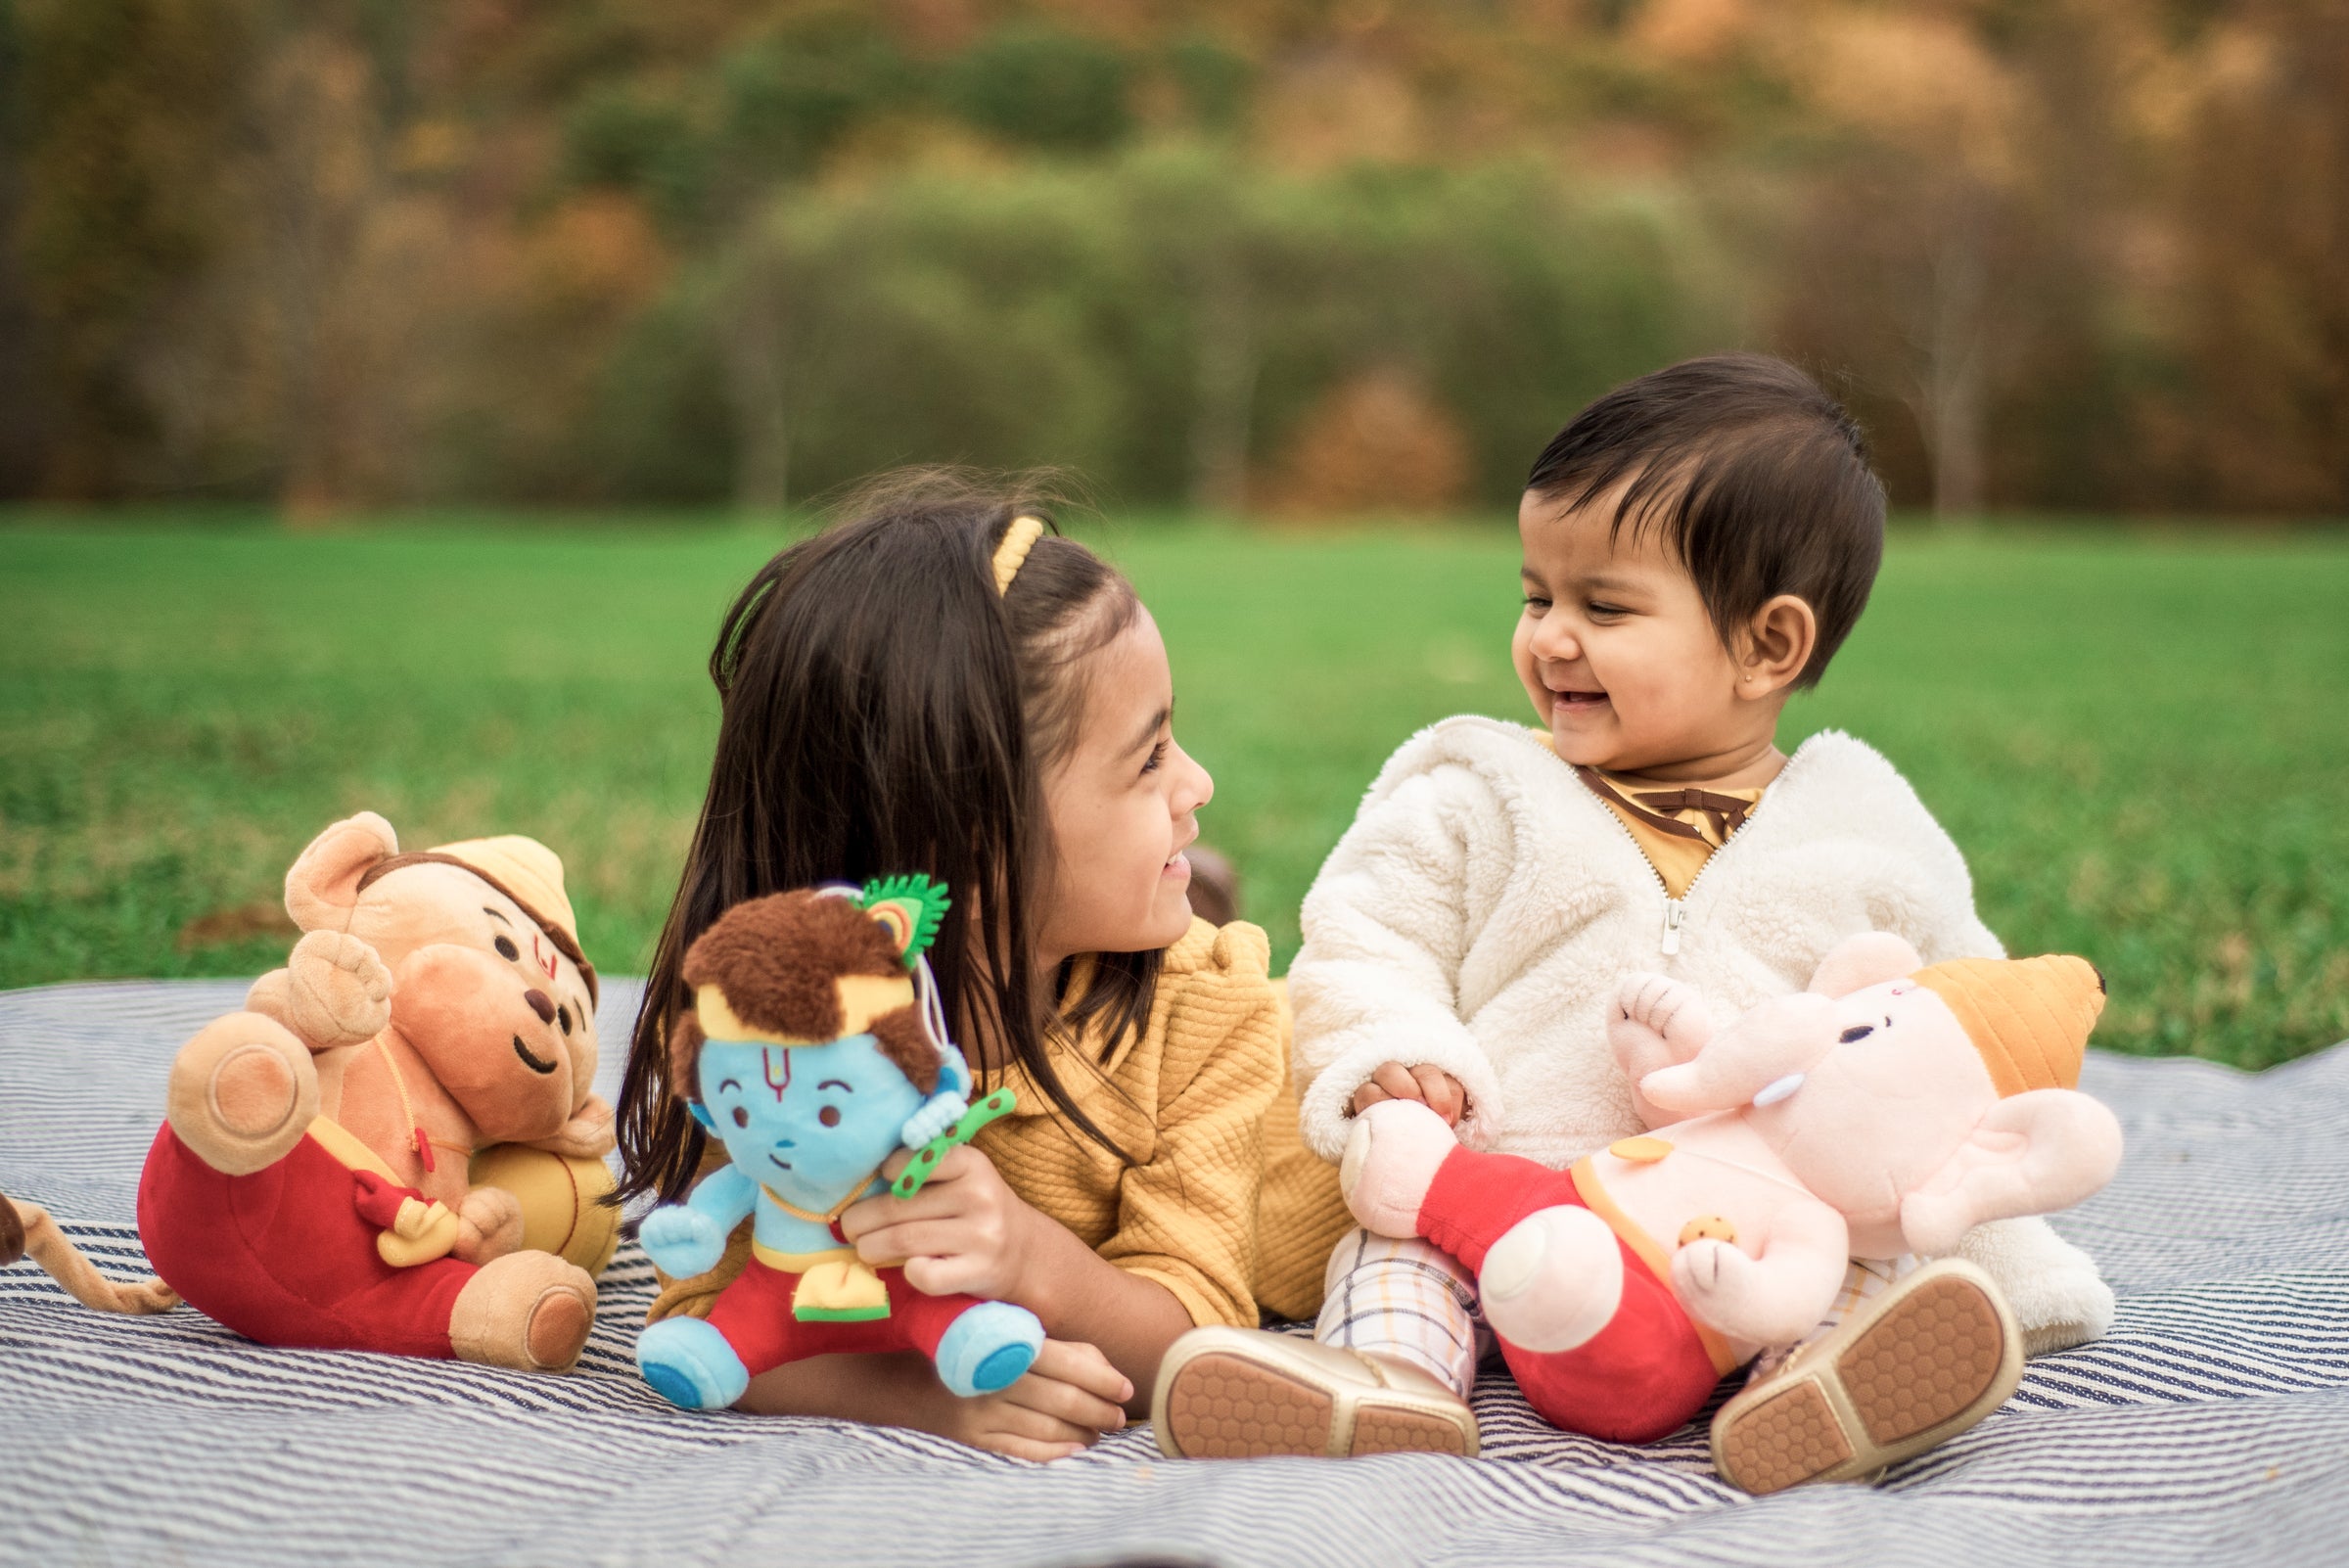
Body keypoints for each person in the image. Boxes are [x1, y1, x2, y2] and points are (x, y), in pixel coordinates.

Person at [1154, 356, 2114, 1482]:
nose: (1551, 637)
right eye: (1536, 596)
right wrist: (1393, 1056)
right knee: (1392, 1245)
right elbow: (1366, 941)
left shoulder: (1866, 834)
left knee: (1866, 1268)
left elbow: (1957, 1041)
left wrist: (1991, 1238)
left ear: (1770, 645)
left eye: (1603, 607)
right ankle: (1387, 1385)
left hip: (1750, 1241)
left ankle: (1812, 1396)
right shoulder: (1478, 795)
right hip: (1501, 1207)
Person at [613, 470, 1347, 1462]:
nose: (1198, 781)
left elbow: (1198, 1329)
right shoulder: (759, 1035)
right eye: (1148, 760)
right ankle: (1192, 880)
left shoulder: (1208, 1011)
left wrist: (1029, 1256)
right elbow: (696, 1326)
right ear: (973, 839)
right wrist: (917, 1395)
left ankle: (1198, 889)